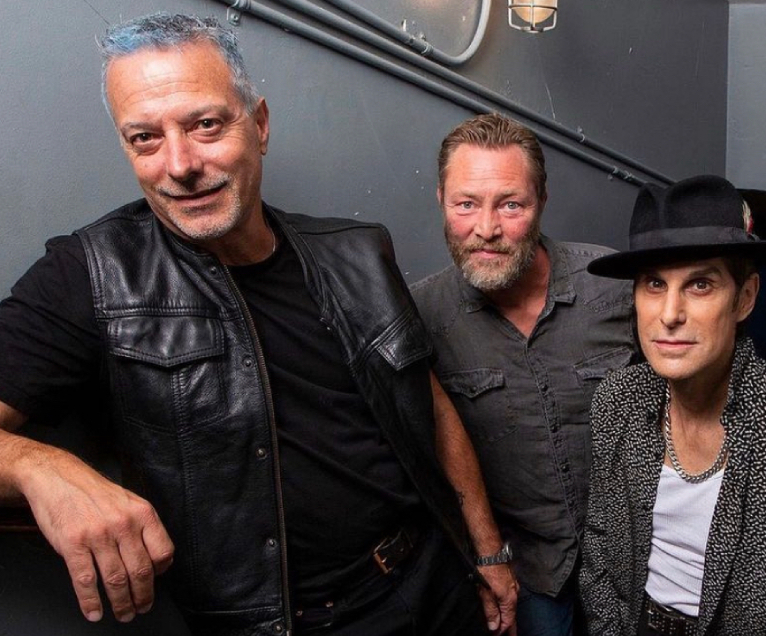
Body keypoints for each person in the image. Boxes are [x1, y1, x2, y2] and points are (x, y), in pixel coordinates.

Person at [0, 12, 517, 636]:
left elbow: (427, 406)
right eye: (145, 138)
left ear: (260, 125)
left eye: (205, 124)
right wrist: (37, 466)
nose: (180, 163)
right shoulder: (89, 275)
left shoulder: (358, 252)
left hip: (437, 583)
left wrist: (488, 551)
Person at [579, 175, 766, 635]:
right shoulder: (618, 400)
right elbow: (600, 553)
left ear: (744, 298)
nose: (669, 314)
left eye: (700, 285)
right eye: (654, 284)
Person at [410, 113, 635, 635]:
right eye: (466, 204)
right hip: (527, 575)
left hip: (631, 561)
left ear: (542, 202)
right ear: (441, 199)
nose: (487, 229)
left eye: (511, 204)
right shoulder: (420, 316)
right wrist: (487, 556)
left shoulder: (615, 287)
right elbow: (430, 453)